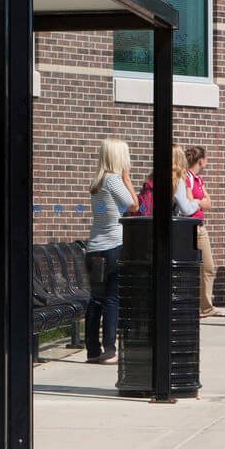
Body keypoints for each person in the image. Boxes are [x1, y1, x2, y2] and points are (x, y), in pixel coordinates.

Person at [85, 139, 139, 364]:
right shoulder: (114, 180)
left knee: (96, 300)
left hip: (94, 249)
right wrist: (128, 179)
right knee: (111, 300)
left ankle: (93, 350)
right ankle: (109, 350)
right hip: (112, 248)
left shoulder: (97, 181)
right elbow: (134, 205)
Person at [185, 145, 223, 316]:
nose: (207, 162)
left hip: (201, 227)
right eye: (206, 158)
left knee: (208, 267)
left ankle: (206, 307)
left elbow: (209, 203)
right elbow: (188, 202)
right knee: (190, 267)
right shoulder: (186, 177)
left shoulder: (199, 180)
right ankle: (192, 305)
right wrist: (200, 201)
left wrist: (198, 201)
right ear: (201, 160)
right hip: (188, 227)